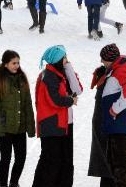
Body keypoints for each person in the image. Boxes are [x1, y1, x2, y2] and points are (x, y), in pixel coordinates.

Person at [32, 45, 82, 187]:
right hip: (52, 125)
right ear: (58, 59)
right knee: (50, 162)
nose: (67, 60)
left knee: (65, 161)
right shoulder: (48, 76)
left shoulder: (62, 73)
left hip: (64, 124)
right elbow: (55, 100)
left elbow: (78, 89)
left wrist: (69, 68)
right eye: (65, 57)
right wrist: (70, 100)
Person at [0, 50, 35, 187]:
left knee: (21, 157)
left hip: (20, 127)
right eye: (13, 63)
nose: (16, 66)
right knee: (6, 158)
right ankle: (3, 184)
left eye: (18, 63)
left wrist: (30, 126)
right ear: (6, 64)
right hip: (4, 128)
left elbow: (28, 104)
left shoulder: (22, 79)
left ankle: (14, 182)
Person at [99, 44, 126, 187]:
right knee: (113, 161)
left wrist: (114, 110)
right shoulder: (116, 68)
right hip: (116, 125)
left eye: (103, 59)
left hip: (119, 124)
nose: (102, 62)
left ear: (110, 59)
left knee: (119, 163)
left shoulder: (120, 71)